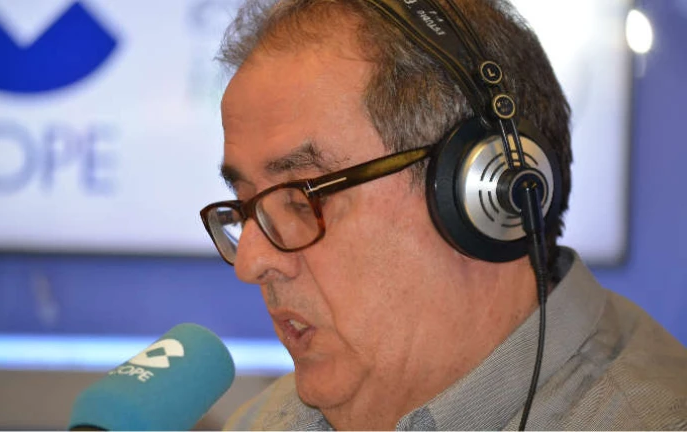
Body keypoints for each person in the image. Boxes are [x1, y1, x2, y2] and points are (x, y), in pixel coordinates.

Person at [199, 0, 687, 429]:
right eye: (244, 208)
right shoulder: (266, 422)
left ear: (483, 196)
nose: (251, 262)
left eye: (299, 200)